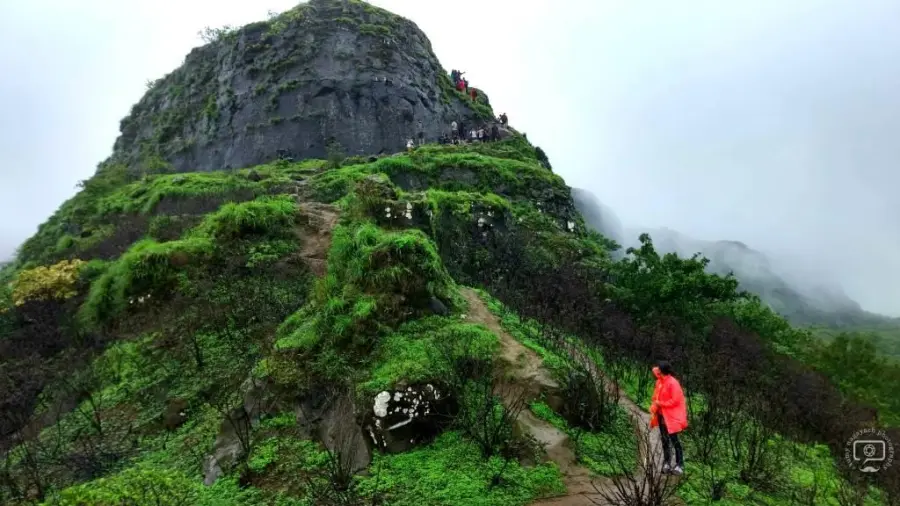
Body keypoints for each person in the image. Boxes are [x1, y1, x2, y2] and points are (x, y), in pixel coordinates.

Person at [650, 361, 687, 475]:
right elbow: (654, 371)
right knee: (665, 440)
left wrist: (660, 403)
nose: (657, 370)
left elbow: (675, 400)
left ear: (663, 370)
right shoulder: (660, 382)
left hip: (671, 418)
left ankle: (680, 464)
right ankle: (667, 462)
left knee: (674, 441)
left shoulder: (673, 383)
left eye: (659, 369)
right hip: (662, 415)